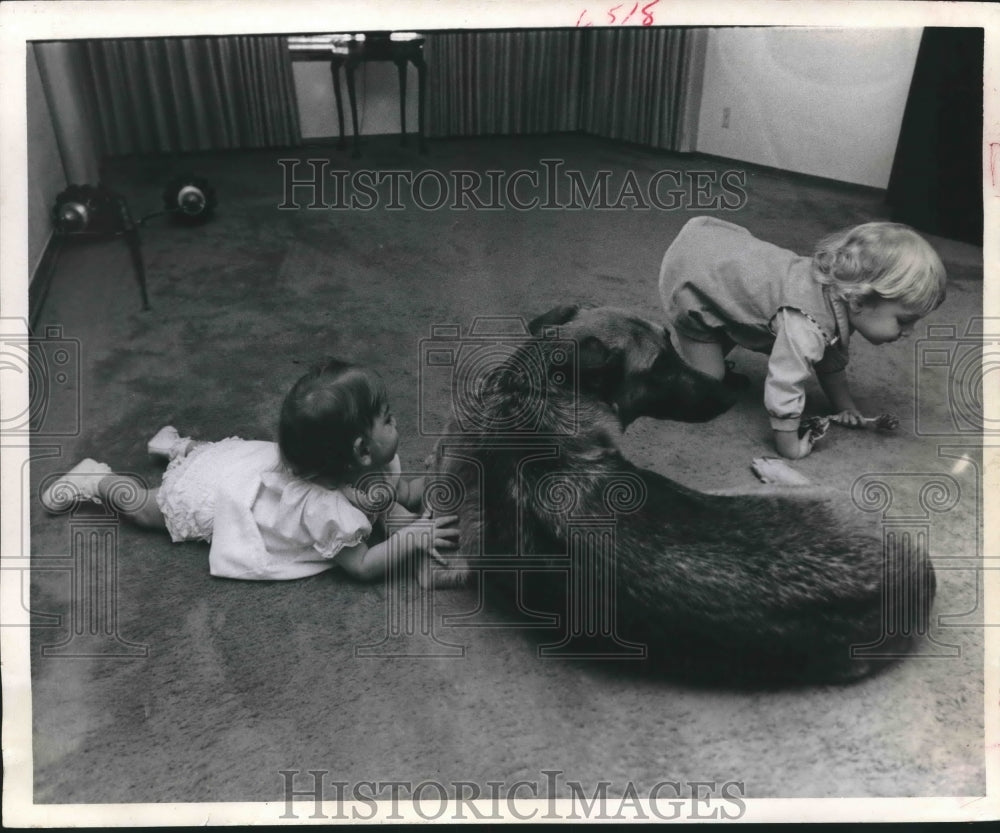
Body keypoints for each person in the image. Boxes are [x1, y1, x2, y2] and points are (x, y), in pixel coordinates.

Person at [40, 360, 458, 581]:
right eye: (387, 418)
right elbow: (363, 565)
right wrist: (413, 539)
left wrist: (450, 482)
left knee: (220, 457)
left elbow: (399, 493)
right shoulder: (328, 511)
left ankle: (179, 447)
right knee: (151, 509)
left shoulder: (367, 464)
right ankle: (95, 477)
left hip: (245, 467)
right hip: (227, 495)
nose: (395, 420)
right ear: (361, 451)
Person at [658, 216, 946, 459]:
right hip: (695, 277)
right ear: (858, 301)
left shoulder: (839, 299)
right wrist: (788, 443)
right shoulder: (806, 325)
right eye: (904, 320)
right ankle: (666, 365)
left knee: (740, 321)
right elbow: (784, 380)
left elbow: (831, 358)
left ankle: (721, 336)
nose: (908, 333)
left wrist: (844, 406)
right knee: (708, 382)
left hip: (722, 257)